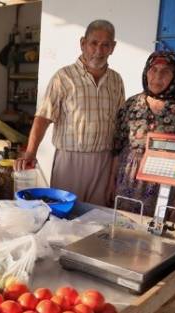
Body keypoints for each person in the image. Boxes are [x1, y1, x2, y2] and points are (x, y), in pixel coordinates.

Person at [14, 20, 125, 206]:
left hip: (104, 161)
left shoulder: (116, 80)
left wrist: (116, 167)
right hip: (70, 161)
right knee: (64, 216)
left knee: (97, 218)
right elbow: (43, 117)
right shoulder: (63, 77)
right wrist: (30, 153)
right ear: (83, 43)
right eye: (94, 43)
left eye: (106, 44)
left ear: (113, 47)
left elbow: (120, 123)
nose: (99, 50)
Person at [110, 50, 175, 222]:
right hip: (128, 179)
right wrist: (110, 183)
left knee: (158, 235)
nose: (158, 76)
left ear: (174, 76)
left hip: (165, 180)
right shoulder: (132, 104)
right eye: (153, 70)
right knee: (124, 228)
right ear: (146, 72)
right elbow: (117, 146)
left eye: (165, 71)